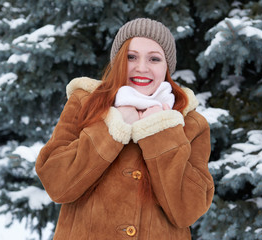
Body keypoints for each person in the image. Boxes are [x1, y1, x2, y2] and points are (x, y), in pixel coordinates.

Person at [36, 18, 214, 239]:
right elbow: (57, 184)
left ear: (167, 66)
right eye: (131, 57)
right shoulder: (84, 103)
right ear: (118, 60)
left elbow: (187, 211)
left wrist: (161, 130)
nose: (141, 67)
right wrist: (114, 124)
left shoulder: (190, 123)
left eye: (154, 59)